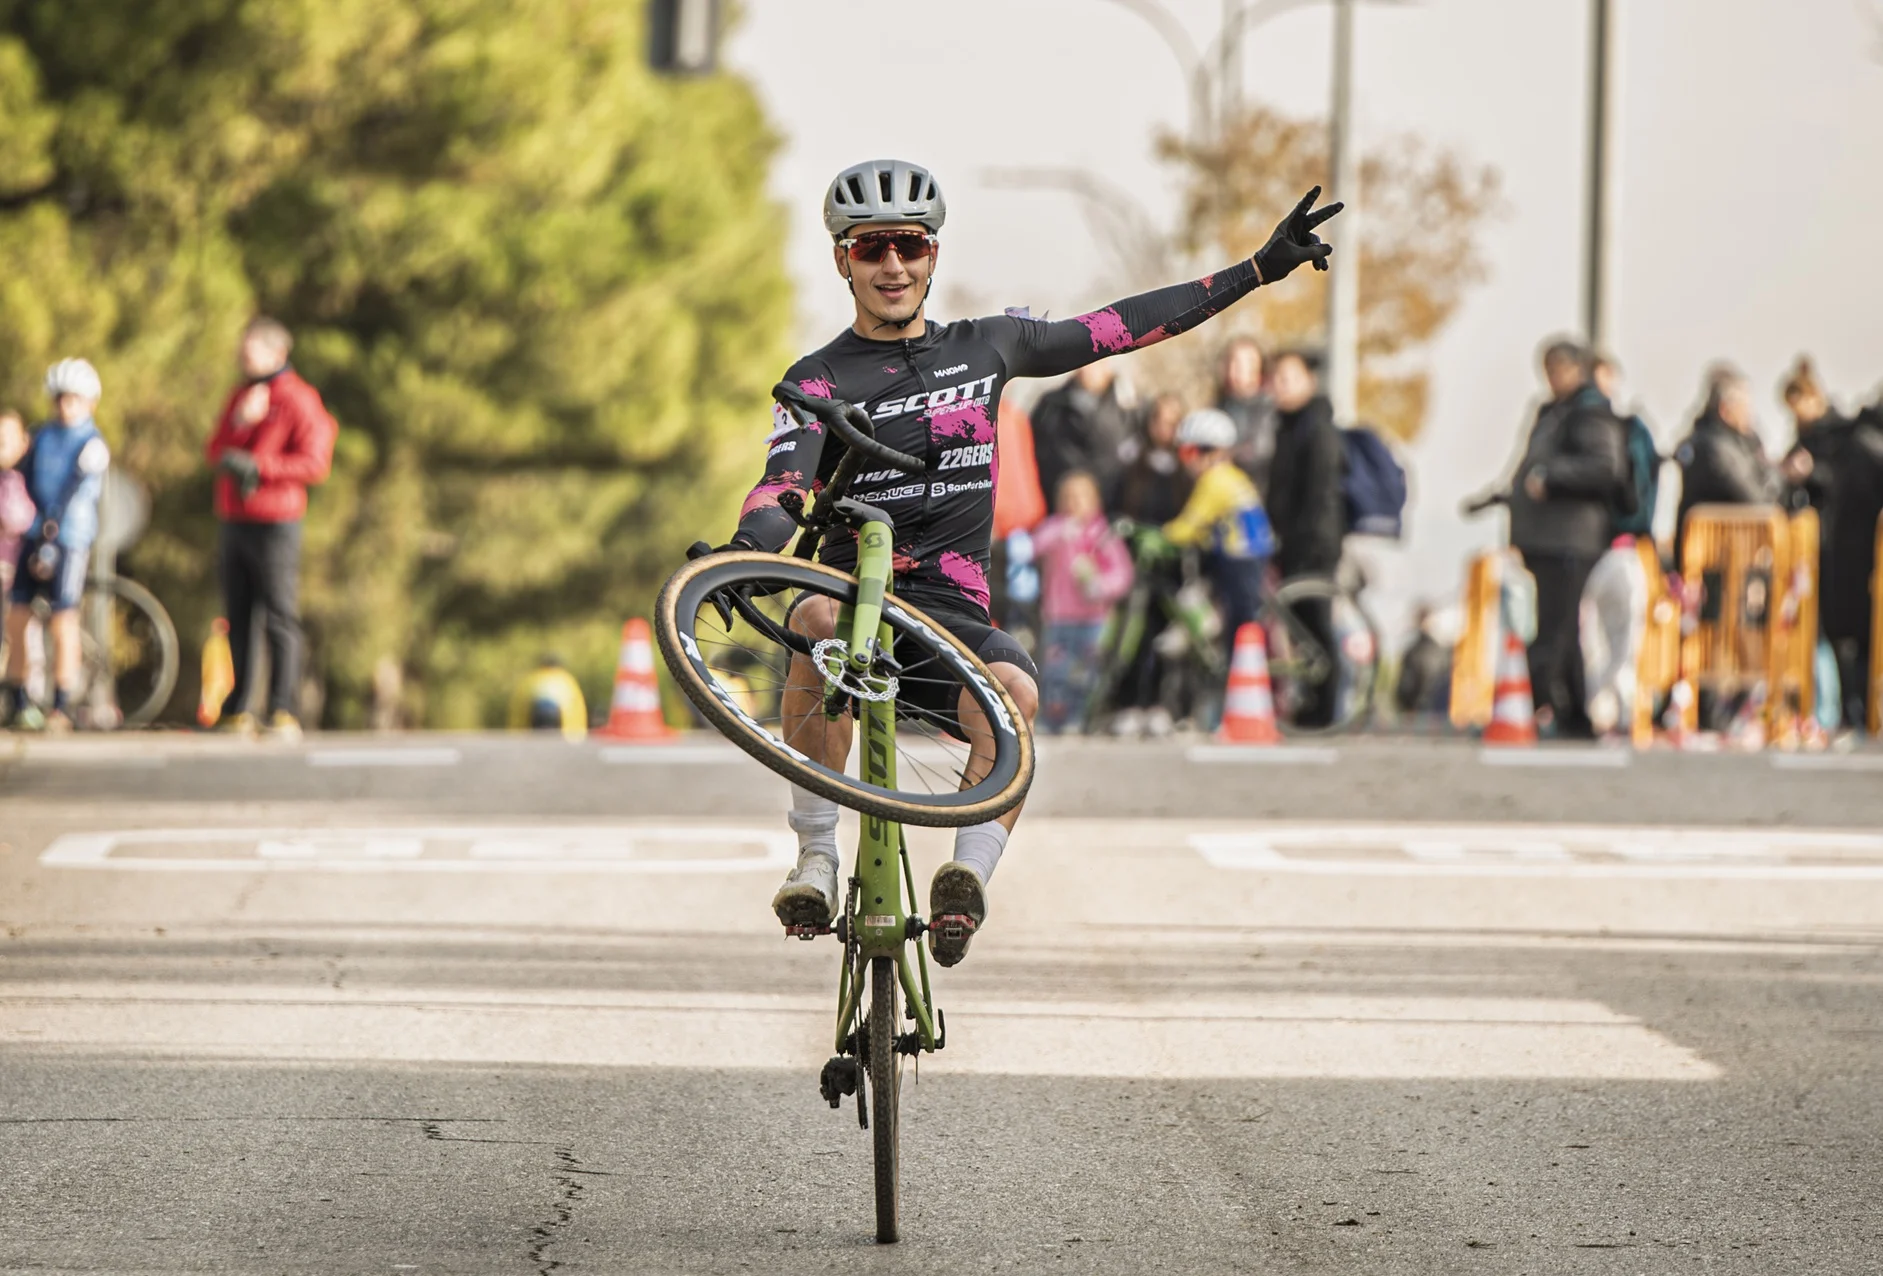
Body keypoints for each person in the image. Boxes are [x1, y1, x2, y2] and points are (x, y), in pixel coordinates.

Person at [724, 159, 1340, 965]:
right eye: (871, 248)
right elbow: (780, 486)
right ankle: (814, 858)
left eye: (909, 245)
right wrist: (749, 548)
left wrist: (1255, 271)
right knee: (813, 617)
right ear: (843, 259)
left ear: (933, 254)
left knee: (1014, 690)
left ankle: (965, 883)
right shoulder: (815, 378)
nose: (892, 265)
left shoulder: (987, 347)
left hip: (951, 617)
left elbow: (1122, 325)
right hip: (856, 602)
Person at [204, 317, 337, 741]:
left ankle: (283, 708)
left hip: (276, 522)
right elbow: (215, 450)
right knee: (238, 616)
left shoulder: (299, 399)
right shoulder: (241, 396)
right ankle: (239, 707)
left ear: (277, 353)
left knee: (280, 615)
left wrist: (262, 467)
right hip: (235, 519)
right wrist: (240, 422)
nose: (243, 358)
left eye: (251, 351)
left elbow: (316, 463)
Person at [1504, 339, 1632, 739]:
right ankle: (1574, 715)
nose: (1551, 378)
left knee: (1556, 629)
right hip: (1546, 536)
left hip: (1573, 537)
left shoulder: (1589, 412)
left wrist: (1553, 477)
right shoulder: (1552, 411)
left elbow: (1605, 467)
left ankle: (1544, 703)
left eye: (1558, 369)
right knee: (1564, 628)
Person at [3, 361, 111, 732]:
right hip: (34, 533)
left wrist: (54, 524)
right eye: (61, 399)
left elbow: (72, 489)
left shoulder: (92, 443)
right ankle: (18, 699)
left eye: (74, 400)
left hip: (71, 539)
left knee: (63, 618)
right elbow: (26, 476)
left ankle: (61, 705)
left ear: (89, 402)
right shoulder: (42, 436)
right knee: (17, 615)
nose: (66, 407)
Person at [1264, 350, 1346, 728]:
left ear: (1309, 382)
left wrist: (1305, 540)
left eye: (1288, 378)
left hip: (1313, 545)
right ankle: (1311, 707)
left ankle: (1325, 712)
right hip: (1290, 542)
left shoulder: (1318, 428)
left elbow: (1319, 494)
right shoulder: (1286, 426)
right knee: (1301, 632)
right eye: (1276, 378)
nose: (1279, 386)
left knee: (1317, 626)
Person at [1159, 408, 1272, 668]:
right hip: (1234, 550)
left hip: (1243, 555)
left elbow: (1192, 522)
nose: (1185, 462)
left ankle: (1240, 667)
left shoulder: (1215, 480)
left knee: (1240, 618)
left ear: (1212, 452)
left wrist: (1161, 534)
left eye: (1189, 453)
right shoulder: (1225, 474)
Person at [1580, 354, 1657, 737]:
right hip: (1592, 547)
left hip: (1618, 546)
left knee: (1622, 636)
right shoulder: (1619, 428)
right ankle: (1601, 709)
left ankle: (1620, 709)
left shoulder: (1627, 429)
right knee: (1593, 638)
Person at [1109, 393, 1193, 737]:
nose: (1166, 428)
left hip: (1171, 568)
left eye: (1174, 422)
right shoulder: (1133, 464)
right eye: (1160, 420)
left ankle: (1160, 704)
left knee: (1164, 637)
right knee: (1132, 636)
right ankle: (1127, 703)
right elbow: (1117, 509)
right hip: (1135, 565)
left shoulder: (1185, 471)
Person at [1032, 471, 1133, 734]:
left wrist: (1101, 586)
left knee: (1085, 672)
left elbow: (1122, 574)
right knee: (1055, 671)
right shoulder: (1055, 528)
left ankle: (1077, 718)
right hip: (1058, 615)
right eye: (1068, 497)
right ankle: (1051, 719)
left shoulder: (1102, 534)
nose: (1074, 503)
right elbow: (1035, 546)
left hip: (1093, 618)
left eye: (1081, 497)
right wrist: (1060, 533)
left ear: (1095, 501)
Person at [1671, 364, 1785, 570]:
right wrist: (1778, 474)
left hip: (1726, 559)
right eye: (1745, 406)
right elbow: (1756, 500)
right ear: (1725, 409)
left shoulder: (1727, 442)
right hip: (1716, 564)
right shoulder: (1715, 448)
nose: (1750, 414)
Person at [1823, 396, 1883, 729]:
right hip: (1862, 562)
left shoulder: (1856, 440)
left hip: (1851, 559)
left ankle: (1856, 711)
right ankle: (1859, 713)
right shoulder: (1869, 446)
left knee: (1855, 641)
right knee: (1863, 640)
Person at [1030, 361, 1134, 507]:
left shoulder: (1126, 409)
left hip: (1109, 502)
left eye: (1094, 364)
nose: (1086, 369)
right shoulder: (1051, 405)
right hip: (1056, 502)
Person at [1215, 335, 1280, 496]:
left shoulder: (1269, 407)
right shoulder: (1221, 405)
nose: (1233, 369)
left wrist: (1225, 455)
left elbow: (1261, 451)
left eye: (1241, 363)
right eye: (1230, 362)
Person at [0, 410, 33, 609]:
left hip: (16, 574)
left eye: (8, 437)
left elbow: (19, 519)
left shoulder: (28, 481)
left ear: (24, 442)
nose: (2, 443)